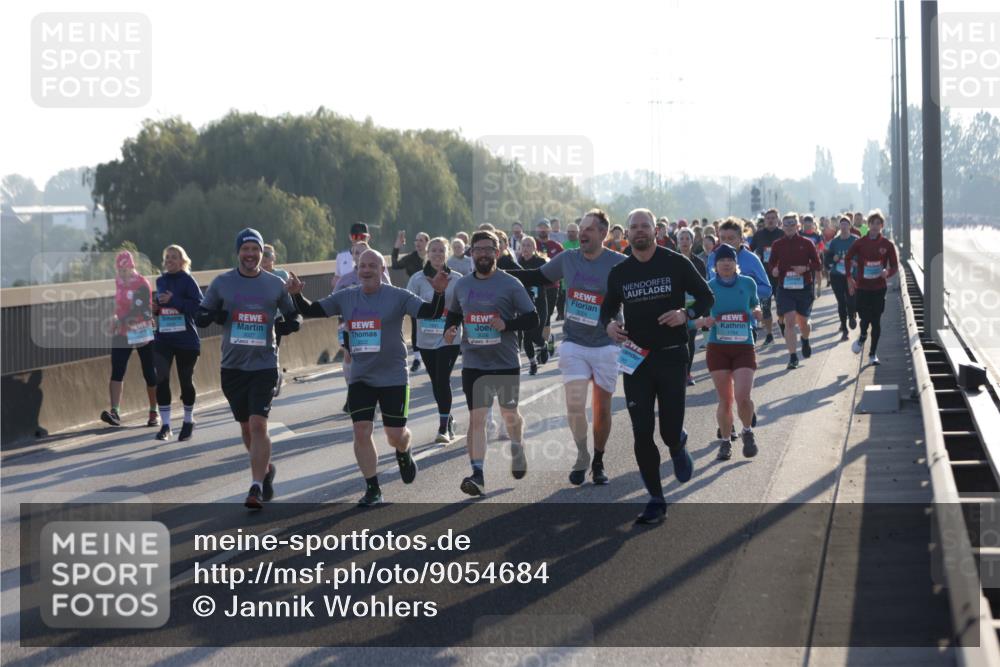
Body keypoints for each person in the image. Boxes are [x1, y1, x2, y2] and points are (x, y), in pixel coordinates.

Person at [288, 250, 449, 505]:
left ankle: (404, 450)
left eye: (372, 265)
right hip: (361, 376)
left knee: (395, 435)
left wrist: (439, 292)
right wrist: (296, 293)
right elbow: (312, 310)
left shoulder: (398, 296)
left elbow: (429, 312)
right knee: (361, 431)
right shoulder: (346, 296)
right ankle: (373, 488)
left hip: (393, 376)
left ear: (382, 269)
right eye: (362, 266)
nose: (366, 270)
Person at [600, 209, 714, 525]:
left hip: (672, 354)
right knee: (641, 430)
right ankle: (655, 498)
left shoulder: (676, 262)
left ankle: (677, 443)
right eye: (633, 227)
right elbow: (607, 308)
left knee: (667, 430)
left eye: (644, 226)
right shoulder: (620, 272)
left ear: (655, 230)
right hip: (636, 358)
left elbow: (706, 296)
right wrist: (610, 325)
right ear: (627, 234)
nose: (638, 231)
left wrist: (685, 314)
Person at [510, 209, 626, 485]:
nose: (583, 233)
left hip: (606, 344)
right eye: (581, 228)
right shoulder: (568, 258)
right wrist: (497, 272)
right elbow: (537, 276)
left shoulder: (619, 263)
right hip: (574, 342)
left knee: (601, 409)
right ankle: (582, 454)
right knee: (574, 406)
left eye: (589, 229)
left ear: (602, 234)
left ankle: (598, 459)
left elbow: (635, 296)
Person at [196, 228, 302, 510]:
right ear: (238, 253)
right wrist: (212, 314)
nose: (251, 254)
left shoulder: (274, 285)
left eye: (256, 249)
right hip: (232, 366)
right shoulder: (222, 283)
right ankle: (266, 470)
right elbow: (203, 314)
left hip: (264, 363)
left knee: (258, 424)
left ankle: (255, 486)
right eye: (246, 249)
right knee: (246, 427)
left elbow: (293, 315)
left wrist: (291, 322)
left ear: (261, 252)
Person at [443, 230, 540, 497]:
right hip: (474, 364)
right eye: (479, 250)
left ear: (498, 253)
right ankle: (477, 474)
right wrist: (450, 329)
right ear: (471, 253)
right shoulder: (462, 286)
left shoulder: (510, 284)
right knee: (478, 419)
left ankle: (517, 444)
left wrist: (507, 324)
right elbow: (453, 314)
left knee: (509, 414)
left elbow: (533, 318)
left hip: (505, 362)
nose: (483, 254)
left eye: (489, 249)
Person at [694, 244, 762, 461]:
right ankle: (725, 442)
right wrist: (705, 321)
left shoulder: (748, 283)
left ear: (735, 263)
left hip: (743, 346)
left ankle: (748, 431)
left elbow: (754, 304)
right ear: (715, 265)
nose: (726, 263)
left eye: (730, 260)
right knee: (725, 399)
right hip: (718, 347)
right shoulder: (709, 286)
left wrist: (757, 312)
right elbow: (694, 316)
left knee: (743, 397)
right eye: (721, 260)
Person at [406, 237, 463, 443]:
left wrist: (453, 324)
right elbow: (409, 306)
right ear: (427, 254)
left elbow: (462, 307)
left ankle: (443, 428)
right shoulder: (417, 279)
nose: (437, 254)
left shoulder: (456, 279)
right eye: (434, 251)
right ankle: (448, 417)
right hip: (426, 338)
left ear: (447, 253)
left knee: (442, 379)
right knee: (436, 382)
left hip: (449, 337)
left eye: (441, 251)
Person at [100, 250, 159, 428]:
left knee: (148, 371)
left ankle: (153, 411)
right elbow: (119, 305)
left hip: (141, 329)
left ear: (133, 266)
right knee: (117, 369)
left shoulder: (142, 283)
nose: (122, 274)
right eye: (120, 270)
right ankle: (115, 411)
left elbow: (140, 310)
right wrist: (114, 318)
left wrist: (121, 320)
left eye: (125, 269)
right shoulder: (118, 282)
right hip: (122, 332)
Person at [152, 245, 204, 441]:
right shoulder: (161, 280)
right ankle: (165, 426)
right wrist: (156, 308)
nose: (170, 261)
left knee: (185, 381)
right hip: (164, 338)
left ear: (183, 261)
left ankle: (188, 419)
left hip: (186, 340)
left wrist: (175, 300)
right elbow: (162, 308)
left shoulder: (188, 281)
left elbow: (199, 307)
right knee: (162, 380)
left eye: (174, 257)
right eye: (167, 257)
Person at [334, 241, 392, 413]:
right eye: (356, 253)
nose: (360, 255)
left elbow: (391, 295)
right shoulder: (345, 279)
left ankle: (378, 392)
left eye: (363, 252)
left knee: (374, 359)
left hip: (374, 325)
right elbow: (334, 300)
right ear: (352, 256)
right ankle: (352, 393)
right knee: (348, 357)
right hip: (350, 326)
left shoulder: (381, 275)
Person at [767, 212, 821, 370]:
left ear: (798, 225)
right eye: (786, 224)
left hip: (804, 288)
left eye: (792, 224)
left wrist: (805, 268)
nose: (789, 227)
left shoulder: (807, 242)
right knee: (790, 321)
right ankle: (792, 357)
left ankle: (805, 339)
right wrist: (774, 270)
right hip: (785, 288)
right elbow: (771, 264)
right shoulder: (777, 244)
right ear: (782, 226)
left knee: (803, 322)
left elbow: (817, 264)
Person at [846, 210, 898, 366]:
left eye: (878, 224)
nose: (875, 226)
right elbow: (848, 258)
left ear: (882, 226)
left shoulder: (887, 245)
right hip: (862, 287)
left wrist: (887, 272)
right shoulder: (860, 243)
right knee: (864, 318)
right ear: (868, 225)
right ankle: (862, 336)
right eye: (872, 223)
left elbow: (894, 265)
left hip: (878, 288)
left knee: (876, 321)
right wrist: (849, 277)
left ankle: (873, 353)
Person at [392, 230, 430, 373]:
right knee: (416, 326)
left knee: (433, 325)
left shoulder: (433, 257)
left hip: (432, 296)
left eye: (421, 240)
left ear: (427, 242)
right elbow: (395, 265)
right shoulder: (411, 258)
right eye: (416, 240)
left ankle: (432, 353)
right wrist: (397, 246)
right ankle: (417, 359)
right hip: (415, 296)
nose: (417, 243)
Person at [676, 228, 708, 386]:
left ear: (692, 240)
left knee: (690, 340)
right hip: (674, 307)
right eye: (681, 238)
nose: (684, 241)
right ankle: (676, 373)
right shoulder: (671, 260)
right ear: (677, 241)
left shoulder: (698, 262)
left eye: (686, 238)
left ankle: (687, 373)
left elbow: (704, 287)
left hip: (693, 306)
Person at [750, 208, 786, 345]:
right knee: (765, 307)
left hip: (780, 275)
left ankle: (782, 322)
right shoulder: (759, 235)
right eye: (768, 218)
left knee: (781, 306)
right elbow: (749, 250)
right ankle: (769, 334)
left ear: (778, 220)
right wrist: (755, 257)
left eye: (773, 218)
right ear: (764, 220)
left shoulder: (782, 234)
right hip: (763, 276)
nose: (770, 220)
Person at [515, 236, 550, 375]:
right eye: (523, 245)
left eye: (529, 245)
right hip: (524, 306)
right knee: (527, 338)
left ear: (534, 248)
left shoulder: (541, 262)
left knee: (536, 336)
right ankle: (533, 363)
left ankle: (544, 344)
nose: (526, 248)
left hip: (540, 304)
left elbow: (551, 280)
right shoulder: (517, 264)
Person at [825, 216, 859, 340]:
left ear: (850, 226)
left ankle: (852, 316)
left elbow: (863, 256)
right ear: (839, 227)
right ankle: (844, 328)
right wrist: (833, 260)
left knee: (851, 299)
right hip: (837, 275)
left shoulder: (856, 241)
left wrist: (857, 262)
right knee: (841, 302)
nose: (844, 227)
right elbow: (827, 259)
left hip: (851, 276)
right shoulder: (834, 242)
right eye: (842, 224)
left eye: (846, 224)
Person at [534, 219, 564, 356]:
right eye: (540, 227)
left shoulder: (556, 246)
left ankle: (546, 342)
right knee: (537, 316)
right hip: (536, 287)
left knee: (547, 317)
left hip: (552, 286)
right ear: (536, 229)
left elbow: (563, 265)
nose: (543, 230)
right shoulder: (532, 245)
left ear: (549, 230)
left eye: (545, 227)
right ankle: (541, 343)